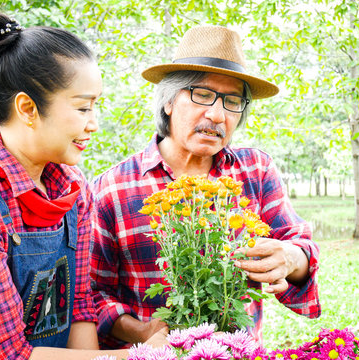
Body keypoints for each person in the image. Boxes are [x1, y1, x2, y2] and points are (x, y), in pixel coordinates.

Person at [0, 13, 167, 359]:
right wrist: (137, 355)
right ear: (27, 108)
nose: (94, 124)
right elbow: (4, 355)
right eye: (83, 107)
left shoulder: (74, 191)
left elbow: (80, 307)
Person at [89, 25, 321, 349]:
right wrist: (142, 333)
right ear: (169, 102)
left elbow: (302, 249)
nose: (216, 114)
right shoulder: (112, 188)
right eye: (201, 94)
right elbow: (92, 295)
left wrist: (291, 258)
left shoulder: (255, 170)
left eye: (232, 101)